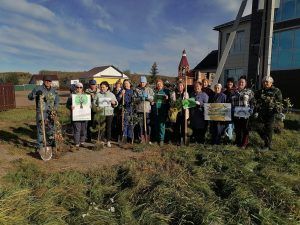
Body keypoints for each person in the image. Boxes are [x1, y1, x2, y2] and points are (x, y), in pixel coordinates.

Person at [28, 75, 59, 151]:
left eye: (49, 81)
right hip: (41, 112)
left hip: (51, 112)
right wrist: (35, 94)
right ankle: (40, 147)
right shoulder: (38, 88)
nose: (48, 82)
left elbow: (57, 101)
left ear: (51, 82)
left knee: (51, 128)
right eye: (46, 81)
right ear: (44, 81)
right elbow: (29, 97)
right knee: (41, 130)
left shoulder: (54, 90)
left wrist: (55, 109)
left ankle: (51, 144)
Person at [255, 76, 282, 150]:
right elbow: (255, 100)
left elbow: (279, 102)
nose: (265, 83)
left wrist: (277, 110)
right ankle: (266, 139)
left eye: (267, 82)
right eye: (264, 82)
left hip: (271, 113)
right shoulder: (260, 91)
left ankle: (267, 145)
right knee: (258, 126)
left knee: (269, 128)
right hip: (261, 112)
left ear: (271, 83)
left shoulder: (276, 91)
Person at [231, 77, 255, 148]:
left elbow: (253, 102)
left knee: (245, 128)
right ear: (237, 83)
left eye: (242, 82)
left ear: (245, 84)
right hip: (236, 113)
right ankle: (238, 141)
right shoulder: (233, 92)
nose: (240, 83)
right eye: (239, 82)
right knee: (237, 128)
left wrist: (252, 109)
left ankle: (244, 143)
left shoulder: (249, 92)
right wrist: (231, 109)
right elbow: (230, 102)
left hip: (245, 113)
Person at [93, 81, 118, 147]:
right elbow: (94, 103)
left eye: (103, 87)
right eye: (101, 87)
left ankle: (108, 141)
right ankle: (102, 141)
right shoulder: (98, 94)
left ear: (107, 87)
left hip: (109, 113)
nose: (102, 88)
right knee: (101, 128)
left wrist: (114, 102)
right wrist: (96, 107)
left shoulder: (111, 94)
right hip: (101, 114)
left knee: (108, 128)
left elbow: (116, 103)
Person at [66, 82, 90, 148]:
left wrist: (90, 106)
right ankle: (77, 143)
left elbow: (90, 104)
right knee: (77, 129)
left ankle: (82, 142)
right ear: (75, 88)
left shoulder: (86, 96)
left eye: (80, 87)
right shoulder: (72, 96)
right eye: (77, 87)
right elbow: (67, 105)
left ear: (82, 88)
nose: (79, 89)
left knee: (84, 129)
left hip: (85, 115)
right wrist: (70, 107)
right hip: (76, 115)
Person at [134, 76, 154, 143]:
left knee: (148, 124)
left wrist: (147, 96)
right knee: (140, 125)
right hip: (140, 109)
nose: (142, 83)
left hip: (147, 109)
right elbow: (134, 99)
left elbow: (153, 98)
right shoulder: (137, 89)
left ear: (146, 82)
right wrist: (139, 98)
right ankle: (141, 138)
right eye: (141, 82)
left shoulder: (149, 90)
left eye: (143, 82)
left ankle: (148, 138)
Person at [170, 81, 189, 145]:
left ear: (183, 87)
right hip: (176, 113)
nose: (180, 87)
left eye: (181, 86)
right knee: (176, 127)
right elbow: (172, 103)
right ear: (177, 87)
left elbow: (187, 104)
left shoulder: (186, 93)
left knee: (184, 127)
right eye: (179, 86)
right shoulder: (174, 93)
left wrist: (186, 101)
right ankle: (177, 140)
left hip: (183, 113)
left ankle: (184, 140)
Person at [152, 79, 169, 146]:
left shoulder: (165, 91)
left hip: (162, 111)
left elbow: (169, 100)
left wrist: (167, 98)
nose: (159, 85)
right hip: (156, 111)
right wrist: (152, 102)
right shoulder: (155, 92)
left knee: (161, 126)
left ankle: (161, 140)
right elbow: (153, 100)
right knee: (156, 125)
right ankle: (157, 139)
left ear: (162, 85)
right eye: (158, 84)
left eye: (160, 84)